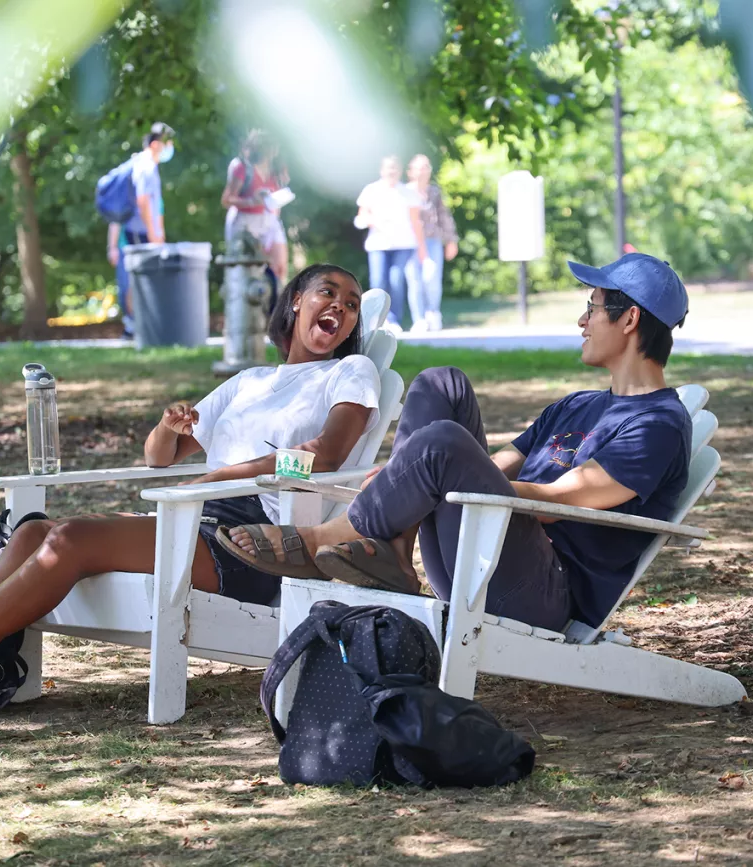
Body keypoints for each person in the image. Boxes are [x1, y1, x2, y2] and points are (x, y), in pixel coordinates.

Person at [0, 264, 380, 750]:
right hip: (195, 517)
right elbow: (159, 457)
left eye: (352, 304)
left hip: (260, 545)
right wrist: (169, 426)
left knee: (67, 540)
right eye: (328, 293)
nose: (341, 307)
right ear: (295, 304)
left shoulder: (349, 373)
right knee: (31, 533)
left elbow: (324, 461)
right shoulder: (249, 382)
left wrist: (232, 473)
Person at [218, 253, 692, 635]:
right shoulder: (575, 405)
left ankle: (319, 540)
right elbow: (493, 466)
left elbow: (556, 502)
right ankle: (396, 555)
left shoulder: (658, 426)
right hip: (477, 558)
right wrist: (414, 471)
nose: (581, 320)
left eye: (591, 306)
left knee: (443, 442)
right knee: (441, 384)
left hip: (541, 593)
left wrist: (433, 467)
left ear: (629, 319)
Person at [108, 122, 174, 338]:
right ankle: (133, 326)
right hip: (139, 231)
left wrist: (158, 229)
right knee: (137, 278)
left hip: (144, 230)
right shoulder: (145, 166)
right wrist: (153, 231)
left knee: (143, 278)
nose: (169, 148)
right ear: (156, 145)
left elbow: (156, 205)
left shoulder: (147, 166)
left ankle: (140, 324)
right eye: (166, 144)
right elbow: (143, 201)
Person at [355, 155, 426, 332]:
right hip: (378, 244)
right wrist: (374, 221)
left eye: (395, 167)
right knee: (378, 280)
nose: (391, 171)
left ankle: (393, 320)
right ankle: (376, 321)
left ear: (400, 170)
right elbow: (362, 214)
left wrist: (421, 247)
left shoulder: (408, 193)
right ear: (381, 170)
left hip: (403, 245)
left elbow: (416, 221)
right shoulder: (371, 190)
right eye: (388, 167)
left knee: (396, 279)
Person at [222, 129, 290, 286]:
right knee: (247, 270)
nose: (274, 150)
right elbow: (226, 200)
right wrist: (252, 201)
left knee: (279, 267)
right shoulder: (243, 168)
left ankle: (277, 306)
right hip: (245, 222)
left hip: (269, 220)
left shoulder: (276, 169)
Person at [403, 155, 459, 332]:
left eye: (426, 167)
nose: (423, 171)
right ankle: (419, 319)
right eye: (419, 167)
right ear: (410, 171)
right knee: (415, 281)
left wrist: (451, 240)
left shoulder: (434, 192)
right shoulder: (404, 192)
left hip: (433, 240)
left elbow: (444, 216)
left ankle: (433, 313)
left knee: (432, 278)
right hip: (409, 242)